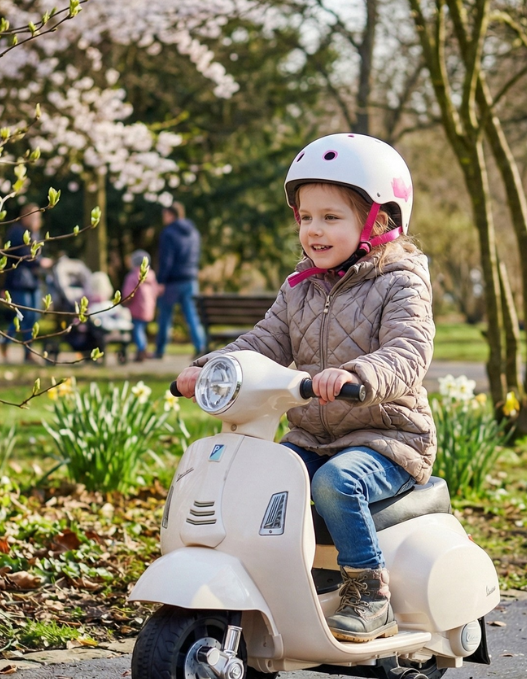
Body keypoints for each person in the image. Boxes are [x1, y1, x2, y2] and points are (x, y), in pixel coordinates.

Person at [175, 133, 435, 643]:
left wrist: (358, 375)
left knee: (336, 484)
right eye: (306, 217)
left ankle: (370, 594)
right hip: (313, 437)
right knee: (257, 481)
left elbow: (409, 351)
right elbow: (265, 340)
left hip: (387, 438)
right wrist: (212, 366)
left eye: (331, 217)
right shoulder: (301, 285)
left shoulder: (400, 279)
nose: (313, 230)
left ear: (378, 220)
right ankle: (266, 592)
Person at [154, 202, 207, 358]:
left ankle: (160, 350)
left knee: (165, 316)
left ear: (171, 215)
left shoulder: (168, 233)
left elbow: (166, 260)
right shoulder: (194, 233)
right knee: (192, 316)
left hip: (172, 281)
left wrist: (161, 281)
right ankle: (200, 346)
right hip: (190, 279)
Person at [0, 202, 51, 363]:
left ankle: (26, 350)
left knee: (33, 316)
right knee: (23, 315)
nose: (36, 220)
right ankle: (9, 342)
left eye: (38, 217)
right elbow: (21, 256)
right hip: (19, 281)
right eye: (33, 217)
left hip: (33, 282)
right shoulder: (16, 233)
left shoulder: (34, 234)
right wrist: (38, 262)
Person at [122, 250, 160, 362]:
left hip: (136, 309)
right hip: (148, 309)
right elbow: (156, 291)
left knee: (137, 330)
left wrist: (124, 302)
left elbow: (128, 294)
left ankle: (141, 349)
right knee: (141, 329)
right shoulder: (151, 276)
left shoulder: (133, 276)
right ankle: (142, 348)